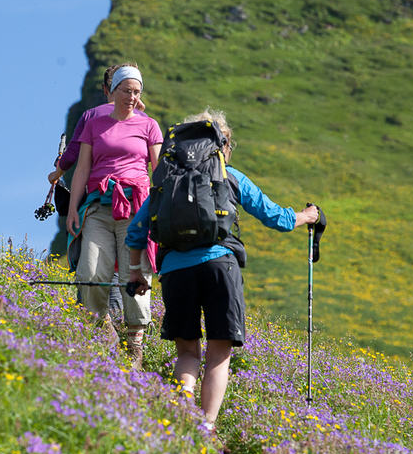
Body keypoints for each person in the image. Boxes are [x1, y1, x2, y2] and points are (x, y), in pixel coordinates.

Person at [125, 108, 318, 430]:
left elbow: (136, 231)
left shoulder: (165, 179)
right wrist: (308, 216)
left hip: (175, 270)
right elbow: (277, 219)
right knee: (218, 354)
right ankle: (206, 426)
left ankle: (181, 407)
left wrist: (135, 273)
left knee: (187, 352)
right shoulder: (229, 175)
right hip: (219, 267)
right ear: (221, 144)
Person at [66, 65, 162, 364]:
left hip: (136, 208)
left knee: (135, 275)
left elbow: (158, 171)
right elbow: (82, 167)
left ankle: (134, 344)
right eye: (126, 91)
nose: (131, 97)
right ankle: (102, 326)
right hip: (97, 206)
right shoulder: (95, 123)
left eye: (136, 92)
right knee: (89, 272)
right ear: (113, 90)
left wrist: (159, 211)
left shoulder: (149, 126)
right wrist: (72, 209)